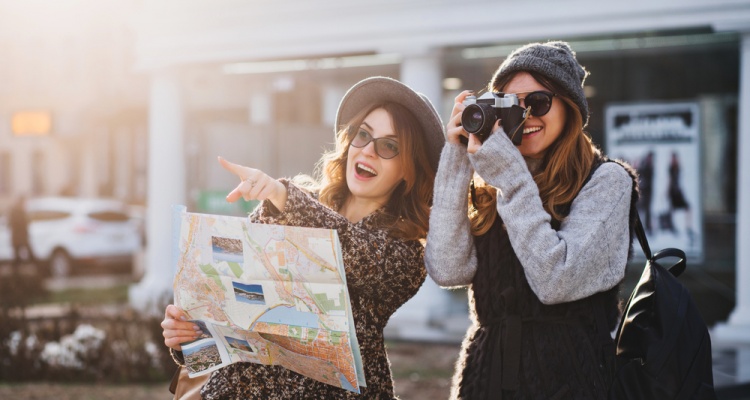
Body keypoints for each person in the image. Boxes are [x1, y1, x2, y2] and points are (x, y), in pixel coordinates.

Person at [161, 76, 445, 399]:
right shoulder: (286, 205)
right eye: (363, 134)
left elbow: (348, 249)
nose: (368, 150)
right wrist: (190, 338)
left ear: (409, 169)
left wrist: (283, 196)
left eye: (389, 146)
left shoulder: (405, 253)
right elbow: (232, 318)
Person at [425, 41, 639, 399]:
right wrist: (457, 156)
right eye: (511, 105)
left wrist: (509, 178)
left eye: (538, 102)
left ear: (570, 108)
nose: (526, 116)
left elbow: (556, 281)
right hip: (485, 379)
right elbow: (447, 270)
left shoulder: (607, 182)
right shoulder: (495, 182)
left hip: (573, 380)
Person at [9, 195, 35, 268]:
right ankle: (38, 272)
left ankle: (16, 275)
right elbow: (23, 224)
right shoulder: (19, 212)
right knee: (20, 257)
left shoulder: (16, 211)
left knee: (17, 257)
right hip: (21, 237)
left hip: (18, 237)